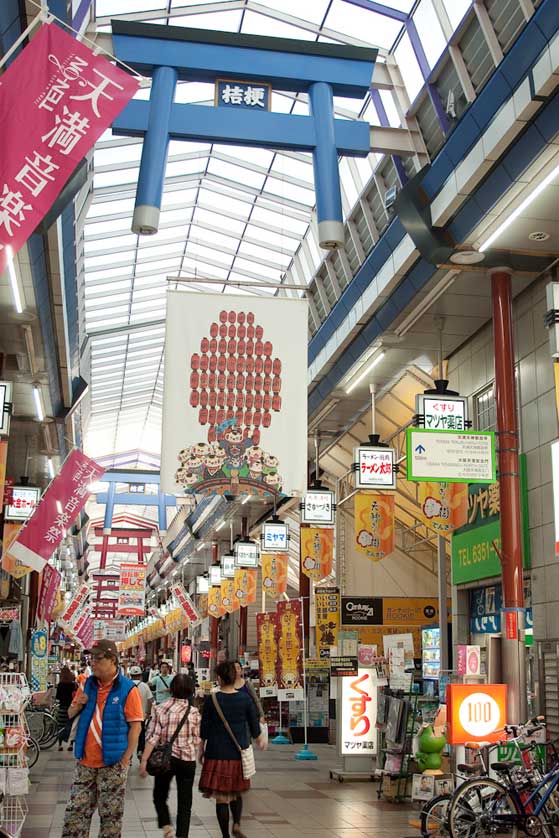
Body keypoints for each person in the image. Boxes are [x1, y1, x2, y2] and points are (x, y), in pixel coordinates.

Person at [61, 639, 143, 838]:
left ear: (112, 660)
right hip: (85, 762)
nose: (93, 663)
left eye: (98, 658)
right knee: (75, 815)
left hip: (113, 765)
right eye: (91, 659)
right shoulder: (87, 685)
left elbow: (136, 727)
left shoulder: (128, 689)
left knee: (110, 820)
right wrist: (77, 704)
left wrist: (125, 760)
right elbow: (70, 714)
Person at [199, 661, 261, 838]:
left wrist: (200, 749)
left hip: (216, 753)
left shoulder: (212, 699)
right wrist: (259, 738)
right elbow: (254, 726)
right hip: (238, 753)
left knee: (221, 798)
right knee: (236, 791)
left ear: (219, 678)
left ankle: (225, 835)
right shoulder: (245, 699)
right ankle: (237, 823)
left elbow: (205, 727)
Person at [140, 674, 202, 838]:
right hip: (187, 760)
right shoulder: (194, 712)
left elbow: (153, 737)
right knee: (185, 804)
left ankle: (167, 826)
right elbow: (197, 739)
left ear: (172, 688)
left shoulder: (160, 708)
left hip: (165, 760)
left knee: (159, 796)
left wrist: (144, 760)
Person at [130, 665, 153, 760]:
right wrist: (148, 712)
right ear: (140, 675)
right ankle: (140, 750)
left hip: (129, 716)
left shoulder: (126, 685)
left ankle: (129, 755)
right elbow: (150, 700)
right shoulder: (145, 686)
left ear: (130, 675)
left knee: (129, 734)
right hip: (141, 715)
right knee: (142, 733)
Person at [232, 661, 265, 726]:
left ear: (241, 670)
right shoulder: (229, 685)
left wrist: (262, 715)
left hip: (249, 718)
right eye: (233, 669)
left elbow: (256, 700)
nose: (236, 671)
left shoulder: (247, 684)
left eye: (238, 668)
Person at [56, 666, 77, 752]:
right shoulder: (73, 684)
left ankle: (60, 745)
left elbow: (58, 697)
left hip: (62, 708)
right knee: (71, 726)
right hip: (71, 708)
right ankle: (71, 744)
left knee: (61, 726)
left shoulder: (60, 685)